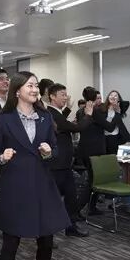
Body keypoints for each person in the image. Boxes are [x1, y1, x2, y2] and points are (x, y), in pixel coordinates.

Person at [0, 72, 70, 260]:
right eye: (30, 85)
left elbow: (54, 149)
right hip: (15, 187)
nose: (35, 89)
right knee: (11, 243)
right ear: (17, 91)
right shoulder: (4, 120)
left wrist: (49, 152)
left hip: (42, 185)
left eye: (36, 86)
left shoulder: (45, 117)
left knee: (46, 240)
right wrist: (1, 158)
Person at [47, 83, 91, 237]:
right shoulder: (51, 113)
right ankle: (47, 234)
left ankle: (71, 227)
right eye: (62, 95)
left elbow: (63, 123)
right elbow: (77, 128)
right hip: (56, 165)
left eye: (66, 95)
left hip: (64, 164)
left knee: (71, 197)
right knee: (52, 200)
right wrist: (88, 114)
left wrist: (68, 109)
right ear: (52, 96)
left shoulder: (56, 113)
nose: (65, 98)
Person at [77, 87, 120, 214]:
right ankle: (77, 209)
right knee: (93, 181)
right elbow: (110, 127)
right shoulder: (95, 112)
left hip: (84, 150)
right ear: (94, 99)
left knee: (94, 180)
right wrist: (116, 114)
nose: (101, 101)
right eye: (99, 98)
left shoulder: (80, 111)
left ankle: (91, 207)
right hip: (94, 152)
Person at [100, 90, 130, 156]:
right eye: (111, 95)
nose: (113, 97)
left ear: (119, 99)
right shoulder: (103, 108)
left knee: (115, 156)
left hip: (115, 137)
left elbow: (127, 103)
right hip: (104, 137)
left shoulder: (120, 108)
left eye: (115, 96)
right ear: (108, 97)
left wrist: (117, 106)